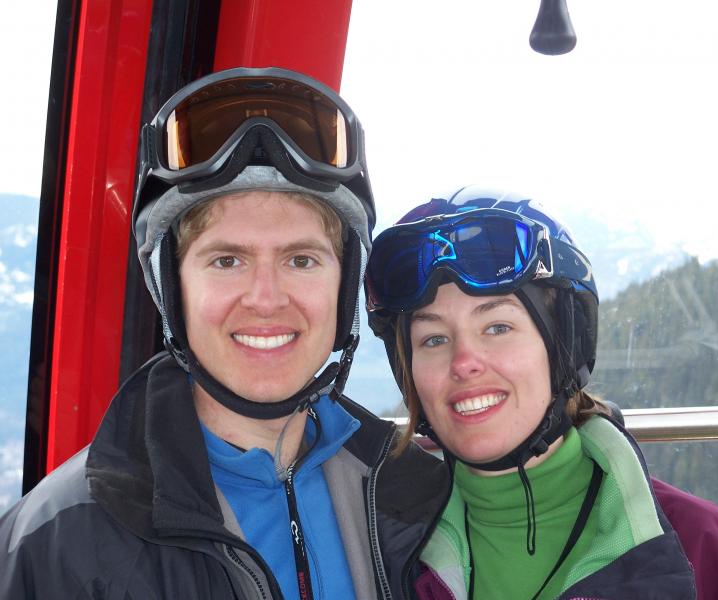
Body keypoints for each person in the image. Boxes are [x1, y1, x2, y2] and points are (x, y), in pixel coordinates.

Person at [0, 67, 447, 600]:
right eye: (227, 260)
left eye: (301, 259)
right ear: (174, 289)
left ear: (344, 285)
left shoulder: (419, 496)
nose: (265, 298)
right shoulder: (61, 544)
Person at [365, 187, 718, 599]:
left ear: (563, 347)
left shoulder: (700, 554)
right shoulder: (378, 553)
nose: (464, 362)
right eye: (433, 339)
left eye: (498, 327)